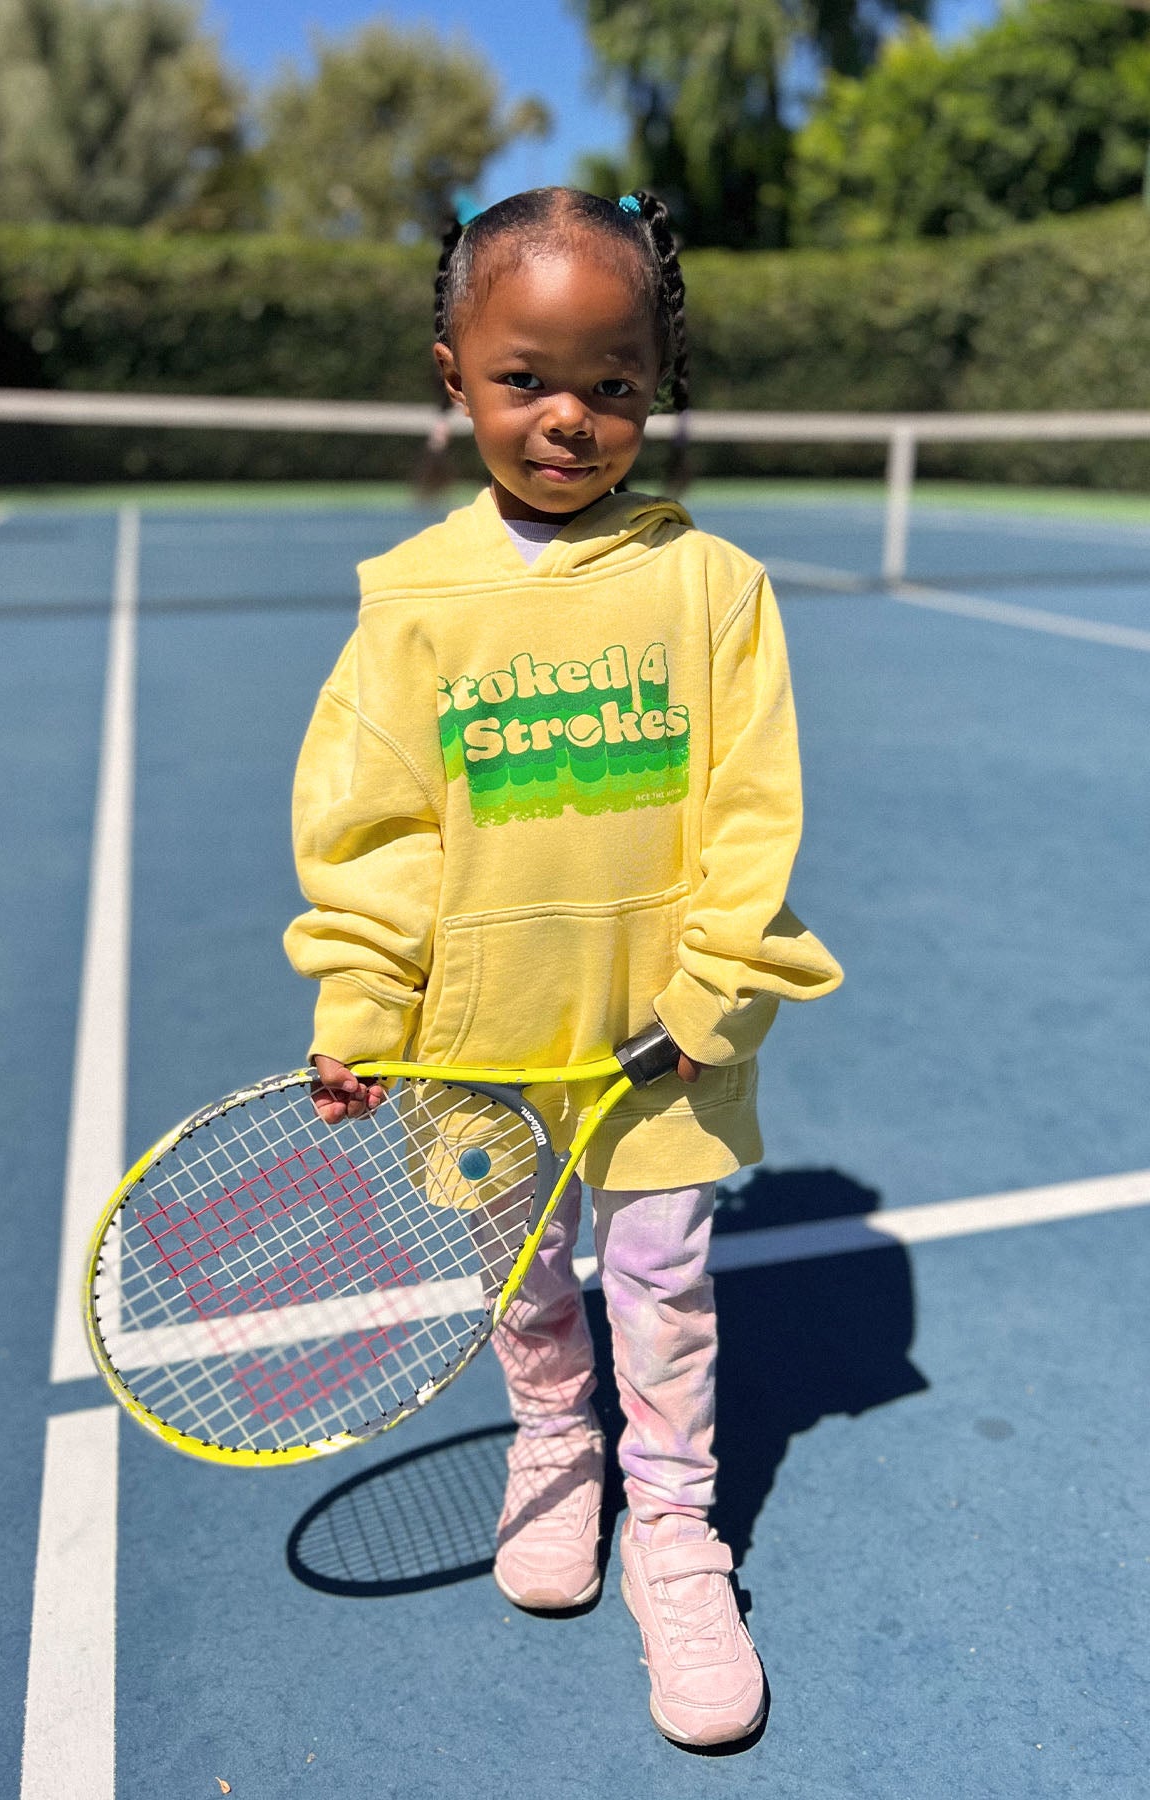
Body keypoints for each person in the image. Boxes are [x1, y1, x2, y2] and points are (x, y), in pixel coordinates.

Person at [284, 187, 842, 1748]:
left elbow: (753, 817)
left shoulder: (715, 589)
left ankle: (673, 1520)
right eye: (526, 377)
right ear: (452, 372)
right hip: (479, 1045)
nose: (569, 418)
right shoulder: (409, 602)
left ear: (658, 387)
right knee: (522, 1278)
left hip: (664, 1046)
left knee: (661, 1283)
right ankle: (555, 1442)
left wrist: (710, 997)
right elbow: (373, 832)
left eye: (613, 383)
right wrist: (365, 1003)